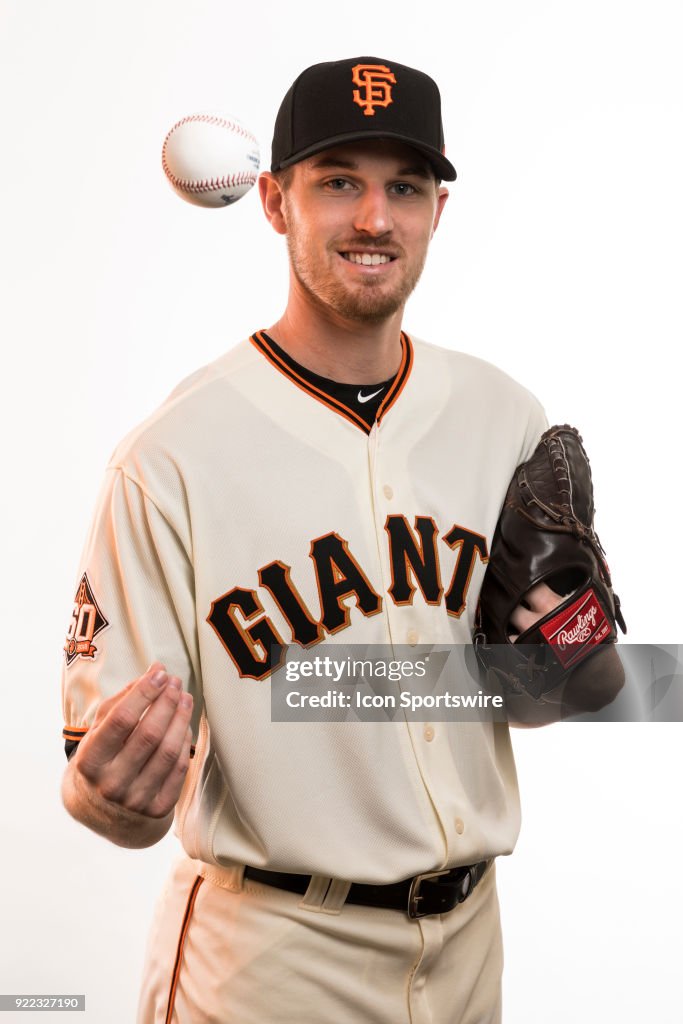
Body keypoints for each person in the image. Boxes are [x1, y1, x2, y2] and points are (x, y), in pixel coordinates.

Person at [60, 56, 622, 1024]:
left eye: (403, 186)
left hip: (468, 945)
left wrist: (574, 652)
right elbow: (104, 783)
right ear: (274, 202)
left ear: (437, 211)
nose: (374, 217)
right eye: (337, 183)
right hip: (274, 956)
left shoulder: (504, 415)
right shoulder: (169, 456)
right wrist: (109, 797)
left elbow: (546, 696)